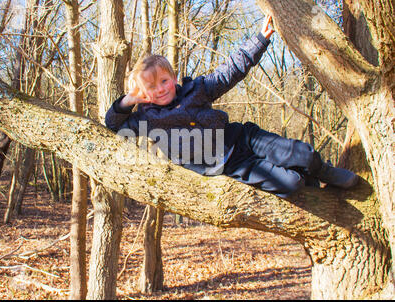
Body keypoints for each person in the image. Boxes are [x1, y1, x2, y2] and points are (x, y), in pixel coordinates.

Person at [105, 16, 358, 198]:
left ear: (173, 78)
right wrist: (128, 101)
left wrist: (260, 41)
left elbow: (229, 72)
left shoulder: (197, 89)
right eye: (152, 87)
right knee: (292, 185)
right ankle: (309, 179)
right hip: (230, 165)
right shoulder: (145, 120)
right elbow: (112, 125)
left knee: (301, 153)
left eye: (163, 80)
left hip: (242, 138)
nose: (160, 89)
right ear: (143, 94)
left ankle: (323, 170)